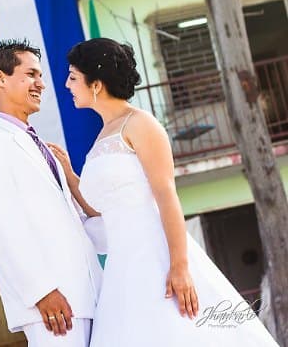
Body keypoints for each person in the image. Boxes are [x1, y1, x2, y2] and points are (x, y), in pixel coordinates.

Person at [48, 37, 278, 346]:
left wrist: (179, 267)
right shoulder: (103, 134)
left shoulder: (142, 124)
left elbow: (167, 195)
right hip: (122, 267)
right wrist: (69, 173)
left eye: (73, 77)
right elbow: (101, 210)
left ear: (97, 84)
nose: (66, 84)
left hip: (156, 255)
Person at [0, 39, 103, 346]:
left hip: (90, 296)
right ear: (1, 78)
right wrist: (42, 291)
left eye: (40, 76)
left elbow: (72, 221)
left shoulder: (44, 148)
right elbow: (0, 227)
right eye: (31, 75)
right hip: (53, 305)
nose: (41, 84)